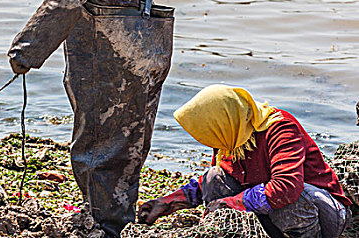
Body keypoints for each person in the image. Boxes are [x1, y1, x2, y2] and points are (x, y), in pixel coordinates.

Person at [6, 0, 174, 236]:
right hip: (147, 51)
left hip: (111, 58)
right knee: (128, 143)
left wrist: (26, 50)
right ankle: (114, 217)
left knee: (96, 145)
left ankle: (105, 226)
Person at [138, 84, 352, 238]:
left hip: (324, 215)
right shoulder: (231, 136)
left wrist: (234, 203)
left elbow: (286, 188)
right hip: (273, 214)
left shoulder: (280, 128)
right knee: (215, 177)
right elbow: (213, 183)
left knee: (291, 198)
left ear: (225, 120)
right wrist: (167, 203)